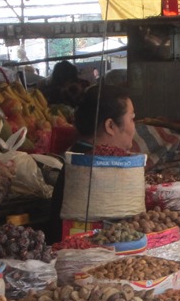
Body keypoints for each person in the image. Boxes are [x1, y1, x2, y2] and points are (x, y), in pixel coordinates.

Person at [47, 82, 136, 241]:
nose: (135, 127)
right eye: (132, 119)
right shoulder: (92, 166)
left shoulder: (78, 155)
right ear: (110, 126)